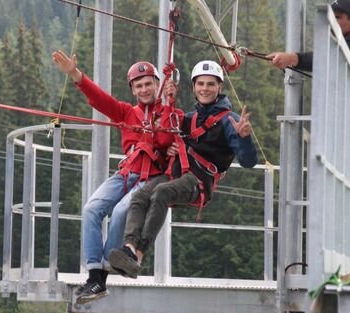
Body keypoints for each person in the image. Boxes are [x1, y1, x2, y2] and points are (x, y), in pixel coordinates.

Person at [267, 0, 350, 284]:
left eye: (339, 18)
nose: (334, 23)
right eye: (331, 18)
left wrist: (292, 58)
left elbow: (327, 61)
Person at [52, 50, 183, 303]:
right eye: (139, 86)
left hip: (150, 177)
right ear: (133, 90)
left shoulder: (169, 112)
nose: (144, 89)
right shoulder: (125, 113)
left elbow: (172, 135)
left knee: (123, 211)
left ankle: (102, 275)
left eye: (148, 84)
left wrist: (168, 106)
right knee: (91, 209)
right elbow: (99, 99)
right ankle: (95, 272)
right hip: (126, 173)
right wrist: (75, 75)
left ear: (157, 84)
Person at [108, 60, 258, 277]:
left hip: (199, 182)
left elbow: (247, 161)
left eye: (210, 84)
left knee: (161, 192)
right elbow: (167, 134)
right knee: (140, 196)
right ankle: (129, 248)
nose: (205, 89)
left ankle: (139, 255)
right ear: (194, 87)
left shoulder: (229, 121)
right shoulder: (189, 119)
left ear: (219, 88)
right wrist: (170, 141)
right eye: (200, 84)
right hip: (175, 175)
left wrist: (244, 138)